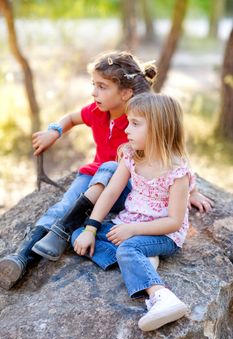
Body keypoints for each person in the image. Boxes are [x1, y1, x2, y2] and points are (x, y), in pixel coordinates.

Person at [0, 51, 211, 291]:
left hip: (124, 188)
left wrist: (191, 191)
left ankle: (127, 253)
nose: (93, 92)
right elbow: (70, 118)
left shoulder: (142, 120)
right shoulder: (97, 112)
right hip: (95, 180)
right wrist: (54, 131)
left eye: (102, 87)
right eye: (94, 85)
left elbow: (171, 153)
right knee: (64, 208)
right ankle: (22, 257)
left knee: (109, 167)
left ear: (126, 93)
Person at [71, 92, 196, 332]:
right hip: (129, 223)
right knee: (77, 235)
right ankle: (139, 262)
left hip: (163, 234)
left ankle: (161, 295)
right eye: (128, 122)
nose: (127, 129)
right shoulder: (131, 156)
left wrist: (133, 230)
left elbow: (174, 221)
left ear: (160, 128)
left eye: (135, 124)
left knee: (128, 247)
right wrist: (90, 227)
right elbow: (109, 193)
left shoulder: (176, 173)